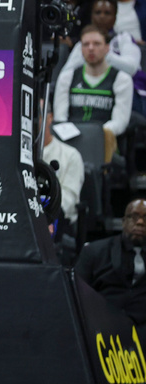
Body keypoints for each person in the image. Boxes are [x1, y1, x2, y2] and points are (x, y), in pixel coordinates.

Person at [55, 25, 134, 165]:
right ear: (80, 49)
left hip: (104, 142)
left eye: (97, 44)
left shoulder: (122, 79)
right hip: (71, 140)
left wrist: (92, 135)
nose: (91, 48)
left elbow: (120, 122)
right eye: (86, 44)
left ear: (107, 48)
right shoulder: (67, 77)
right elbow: (60, 117)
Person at [76, 198, 146, 332]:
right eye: (134, 217)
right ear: (124, 222)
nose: (140, 222)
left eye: (145, 218)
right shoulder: (94, 252)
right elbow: (77, 293)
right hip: (101, 329)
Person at [62, 0, 141, 77]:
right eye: (98, 12)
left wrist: (104, 54)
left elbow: (132, 68)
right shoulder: (84, 43)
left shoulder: (124, 38)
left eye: (107, 13)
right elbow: (65, 74)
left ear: (115, 17)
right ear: (91, 17)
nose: (102, 16)